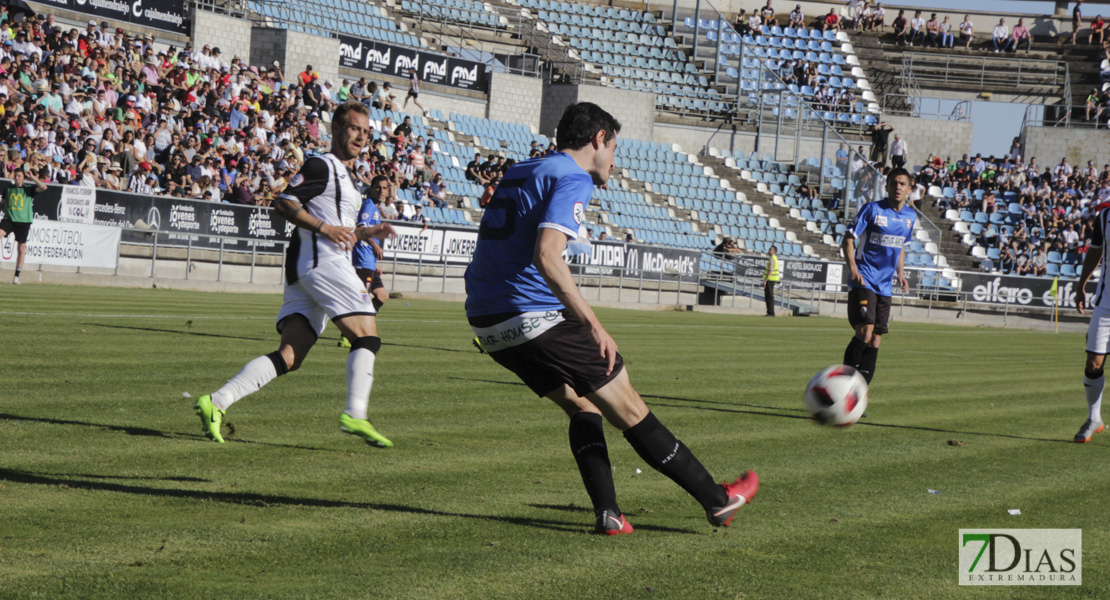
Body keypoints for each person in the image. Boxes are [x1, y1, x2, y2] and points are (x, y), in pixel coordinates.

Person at [464, 102, 758, 535]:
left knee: (582, 406)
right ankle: (717, 500)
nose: (615, 160)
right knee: (629, 408)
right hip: (531, 314)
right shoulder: (571, 176)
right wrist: (593, 324)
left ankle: (609, 514)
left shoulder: (526, 168)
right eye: (614, 147)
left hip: (487, 321)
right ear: (598, 139)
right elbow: (547, 256)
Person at [193, 102, 397, 448]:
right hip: (322, 263)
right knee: (367, 336)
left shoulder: (348, 176)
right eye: (353, 129)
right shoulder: (323, 164)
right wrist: (326, 229)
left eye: (366, 131)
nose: (361, 136)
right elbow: (285, 201)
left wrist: (365, 233)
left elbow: (339, 229)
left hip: (308, 268)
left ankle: (217, 401)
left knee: (291, 354)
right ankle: (355, 414)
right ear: (335, 130)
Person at [841, 167, 916, 387]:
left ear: (909, 189)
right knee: (865, 331)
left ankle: (860, 394)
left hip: (885, 286)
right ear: (887, 186)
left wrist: (901, 273)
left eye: (902, 184)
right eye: (894, 183)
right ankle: (844, 387)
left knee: (875, 339)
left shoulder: (910, 217)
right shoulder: (872, 210)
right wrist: (853, 269)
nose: (898, 187)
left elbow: (901, 246)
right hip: (864, 278)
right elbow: (848, 239)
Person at [1075, 201, 1109, 443]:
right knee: (1093, 364)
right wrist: (1081, 285)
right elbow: (1095, 251)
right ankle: (1094, 418)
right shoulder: (1104, 217)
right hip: (1105, 303)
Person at [1, 168, 47, 284]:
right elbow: (3, 203)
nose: (17, 178)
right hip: (9, 219)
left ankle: (17, 275)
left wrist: (32, 178)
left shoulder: (28, 189)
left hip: (23, 221)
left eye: (19, 176)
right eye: (16, 176)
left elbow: (43, 187)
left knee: (21, 248)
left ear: (23, 177)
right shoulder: (8, 189)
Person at [763, 245, 782, 317]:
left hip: (771, 279)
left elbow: (770, 270)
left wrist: (766, 279)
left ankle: (771, 312)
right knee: (769, 295)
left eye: (770, 249)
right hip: (772, 279)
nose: (769, 250)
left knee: (769, 296)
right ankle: (770, 312)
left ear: (774, 251)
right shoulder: (774, 258)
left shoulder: (772, 258)